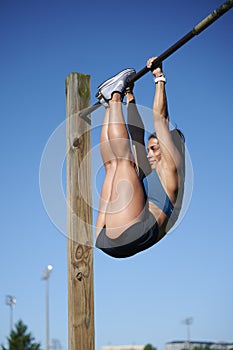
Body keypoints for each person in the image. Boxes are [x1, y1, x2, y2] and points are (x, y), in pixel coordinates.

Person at [95, 57, 185, 258]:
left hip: (136, 232)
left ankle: (114, 95)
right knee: (113, 166)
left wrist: (159, 78)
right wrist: (130, 97)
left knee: (124, 163)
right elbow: (136, 136)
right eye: (150, 148)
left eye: (156, 148)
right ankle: (110, 103)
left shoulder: (171, 170)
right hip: (109, 236)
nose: (150, 153)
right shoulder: (148, 174)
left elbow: (160, 120)